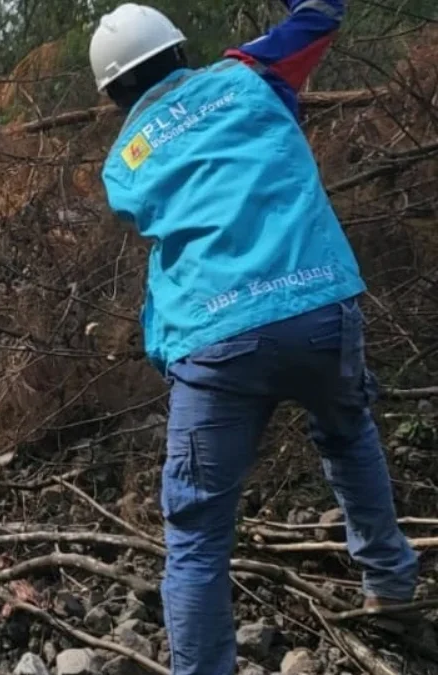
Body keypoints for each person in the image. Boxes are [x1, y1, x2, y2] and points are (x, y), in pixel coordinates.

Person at [89, 2, 418, 673]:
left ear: (112, 94)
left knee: (197, 534)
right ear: (182, 51)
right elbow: (321, 13)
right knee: (348, 431)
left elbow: (159, 223)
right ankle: (390, 584)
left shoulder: (124, 158)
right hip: (318, 302)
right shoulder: (251, 72)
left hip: (215, 341)